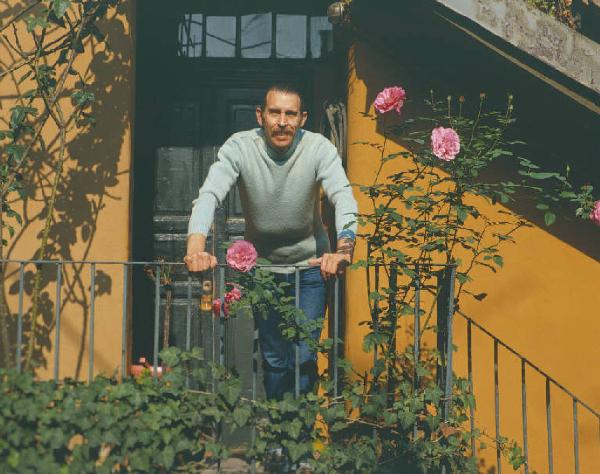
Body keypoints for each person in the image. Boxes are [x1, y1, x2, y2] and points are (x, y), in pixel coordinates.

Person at [184, 83, 358, 399]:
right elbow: (210, 194)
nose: (282, 121)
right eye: (274, 112)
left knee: (305, 356)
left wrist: (343, 251)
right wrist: (195, 248)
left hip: (310, 269)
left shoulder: (318, 148)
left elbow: (342, 196)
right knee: (275, 359)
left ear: (302, 118)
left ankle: (301, 441)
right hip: (263, 271)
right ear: (260, 116)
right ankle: (278, 438)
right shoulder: (240, 147)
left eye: (290, 114)